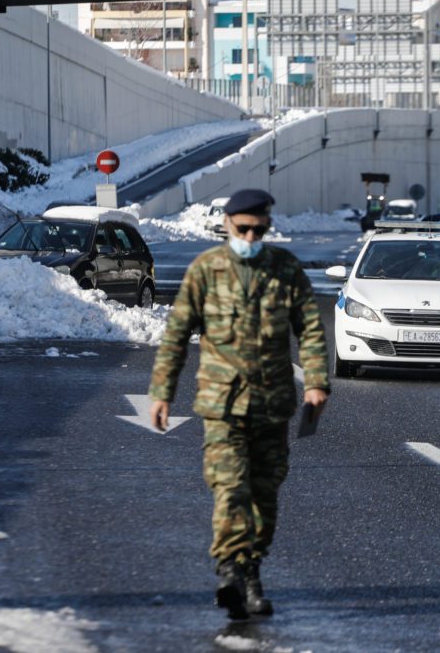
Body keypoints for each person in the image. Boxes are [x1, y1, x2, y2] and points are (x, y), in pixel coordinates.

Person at [148, 188, 330, 620]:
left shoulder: (285, 270)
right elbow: (175, 334)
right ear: (227, 224)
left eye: (258, 229)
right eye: (243, 228)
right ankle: (230, 571)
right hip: (221, 405)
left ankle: (251, 573)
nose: (250, 236)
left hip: (272, 404)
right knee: (231, 489)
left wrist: (317, 382)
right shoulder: (206, 270)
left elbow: (310, 329)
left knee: (264, 497)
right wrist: (161, 391)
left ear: (268, 226)